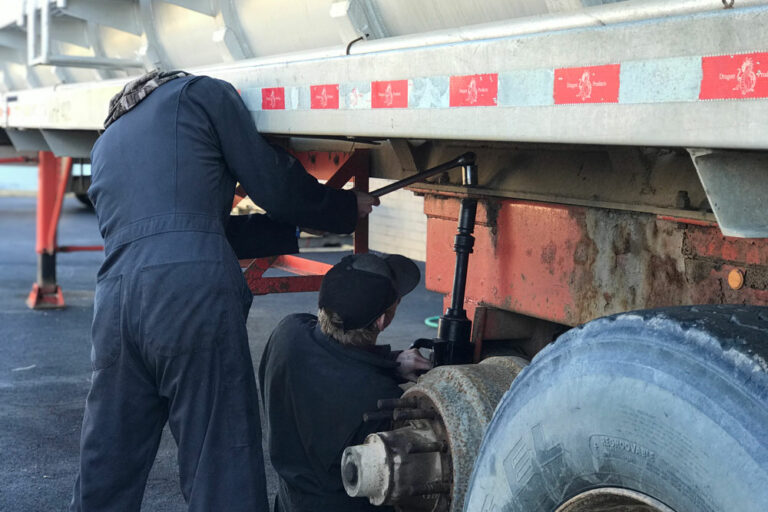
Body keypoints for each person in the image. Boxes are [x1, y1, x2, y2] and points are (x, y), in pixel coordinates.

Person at [70, 70, 379, 511]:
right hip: (188, 295)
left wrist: (288, 229)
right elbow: (272, 183)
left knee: (108, 456)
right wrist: (344, 208)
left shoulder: (106, 142)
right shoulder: (202, 94)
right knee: (219, 455)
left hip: (115, 299)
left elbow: (179, 230)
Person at [259, 252, 433, 512]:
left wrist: (393, 362)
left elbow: (334, 360)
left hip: (290, 503)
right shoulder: (380, 398)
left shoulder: (288, 333)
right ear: (382, 321)